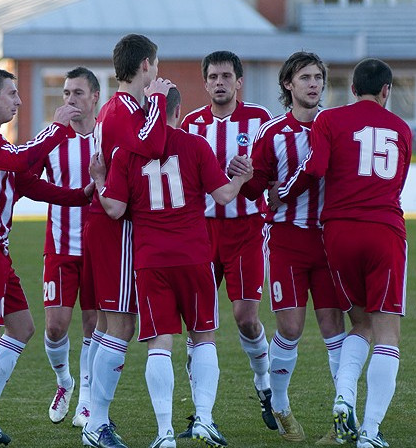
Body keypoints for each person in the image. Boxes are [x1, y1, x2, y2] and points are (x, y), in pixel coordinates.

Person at [92, 87, 249, 448]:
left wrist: (99, 178)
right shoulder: (195, 145)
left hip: (151, 261)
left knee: (159, 344)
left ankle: (164, 433)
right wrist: (241, 177)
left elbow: (114, 210)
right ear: (178, 112)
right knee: (203, 336)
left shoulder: (127, 153)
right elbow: (224, 195)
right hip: (195, 257)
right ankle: (205, 420)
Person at [271, 58, 412, 448]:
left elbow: (316, 168)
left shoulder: (329, 121)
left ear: (351, 89)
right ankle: (368, 432)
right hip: (382, 229)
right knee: (386, 334)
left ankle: (344, 396)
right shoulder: (401, 128)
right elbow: (398, 183)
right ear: (386, 90)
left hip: (336, 233)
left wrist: (279, 194)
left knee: (359, 324)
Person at [0, 68, 92, 448]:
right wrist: (58, 127)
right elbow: (18, 162)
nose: (19, 100)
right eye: (12, 93)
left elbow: (29, 182)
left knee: (22, 327)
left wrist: (83, 195)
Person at [228, 51, 347, 444]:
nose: (314, 84)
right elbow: (256, 186)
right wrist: (245, 177)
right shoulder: (273, 132)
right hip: (286, 240)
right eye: (305, 78)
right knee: (290, 327)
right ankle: (279, 404)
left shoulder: (335, 127)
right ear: (288, 85)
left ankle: (343, 414)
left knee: (334, 330)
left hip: (329, 242)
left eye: (318, 77)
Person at [81, 33, 174, 448]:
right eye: (155, 67)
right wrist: (159, 99)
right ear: (146, 66)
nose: (157, 74)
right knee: (120, 325)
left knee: (109, 325)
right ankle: (96, 422)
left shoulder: (119, 109)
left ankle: (93, 416)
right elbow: (154, 145)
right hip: (117, 226)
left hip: (114, 225)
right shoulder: (123, 110)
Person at [179, 50, 276, 434]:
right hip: (200, 233)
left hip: (246, 231)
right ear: (205, 83)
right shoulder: (191, 124)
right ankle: (201, 413)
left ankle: (264, 382)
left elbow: (266, 179)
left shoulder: (259, 120)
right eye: (213, 77)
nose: (219, 82)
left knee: (246, 318)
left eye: (226, 76)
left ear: (239, 81)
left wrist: (252, 176)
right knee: (198, 325)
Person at [34, 67, 100, 427]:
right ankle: (64, 382)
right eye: (65, 93)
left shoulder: (108, 138)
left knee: (92, 325)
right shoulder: (52, 137)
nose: (70, 100)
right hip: (59, 246)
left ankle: (87, 400)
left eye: (77, 93)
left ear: (94, 98)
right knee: (56, 327)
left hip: (97, 249)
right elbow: (24, 174)